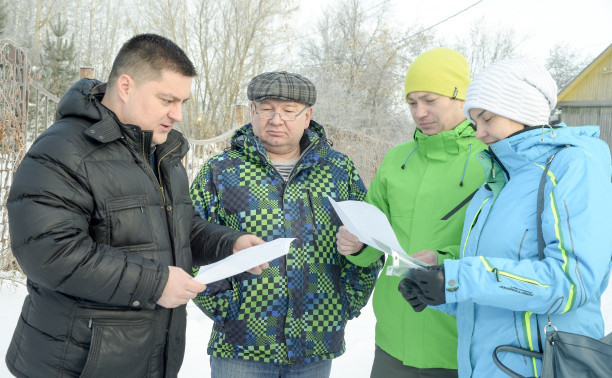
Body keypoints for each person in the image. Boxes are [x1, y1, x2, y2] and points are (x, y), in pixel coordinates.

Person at [5, 33, 266, 378]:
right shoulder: (62, 150)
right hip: (76, 363)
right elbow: (49, 253)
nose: (178, 114)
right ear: (126, 86)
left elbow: (177, 226)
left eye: (183, 102)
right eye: (167, 100)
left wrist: (228, 244)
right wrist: (154, 283)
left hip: (149, 357)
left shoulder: (163, 153)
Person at [397, 58, 612, 377]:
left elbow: (572, 282)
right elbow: (496, 291)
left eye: (487, 118)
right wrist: (439, 291)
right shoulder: (494, 183)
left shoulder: (573, 167)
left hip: (546, 366)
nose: (479, 133)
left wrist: (460, 279)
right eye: (474, 122)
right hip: (488, 367)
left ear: (522, 109)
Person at [189, 71, 383, 378]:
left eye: (289, 111)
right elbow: (189, 240)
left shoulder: (338, 170)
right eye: (267, 108)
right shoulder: (221, 171)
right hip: (241, 347)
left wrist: (348, 302)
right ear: (252, 111)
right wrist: (225, 309)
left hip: (315, 345)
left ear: (308, 116)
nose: (276, 119)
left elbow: (371, 240)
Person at [336, 48, 486, 377]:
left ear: (460, 96)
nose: (419, 112)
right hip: (394, 339)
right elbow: (373, 235)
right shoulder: (396, 159)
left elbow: (502, 249)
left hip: (457, 344)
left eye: (430, 100)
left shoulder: (490, 160)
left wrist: (445, 262)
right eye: (412, 102)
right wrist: (357, 245)